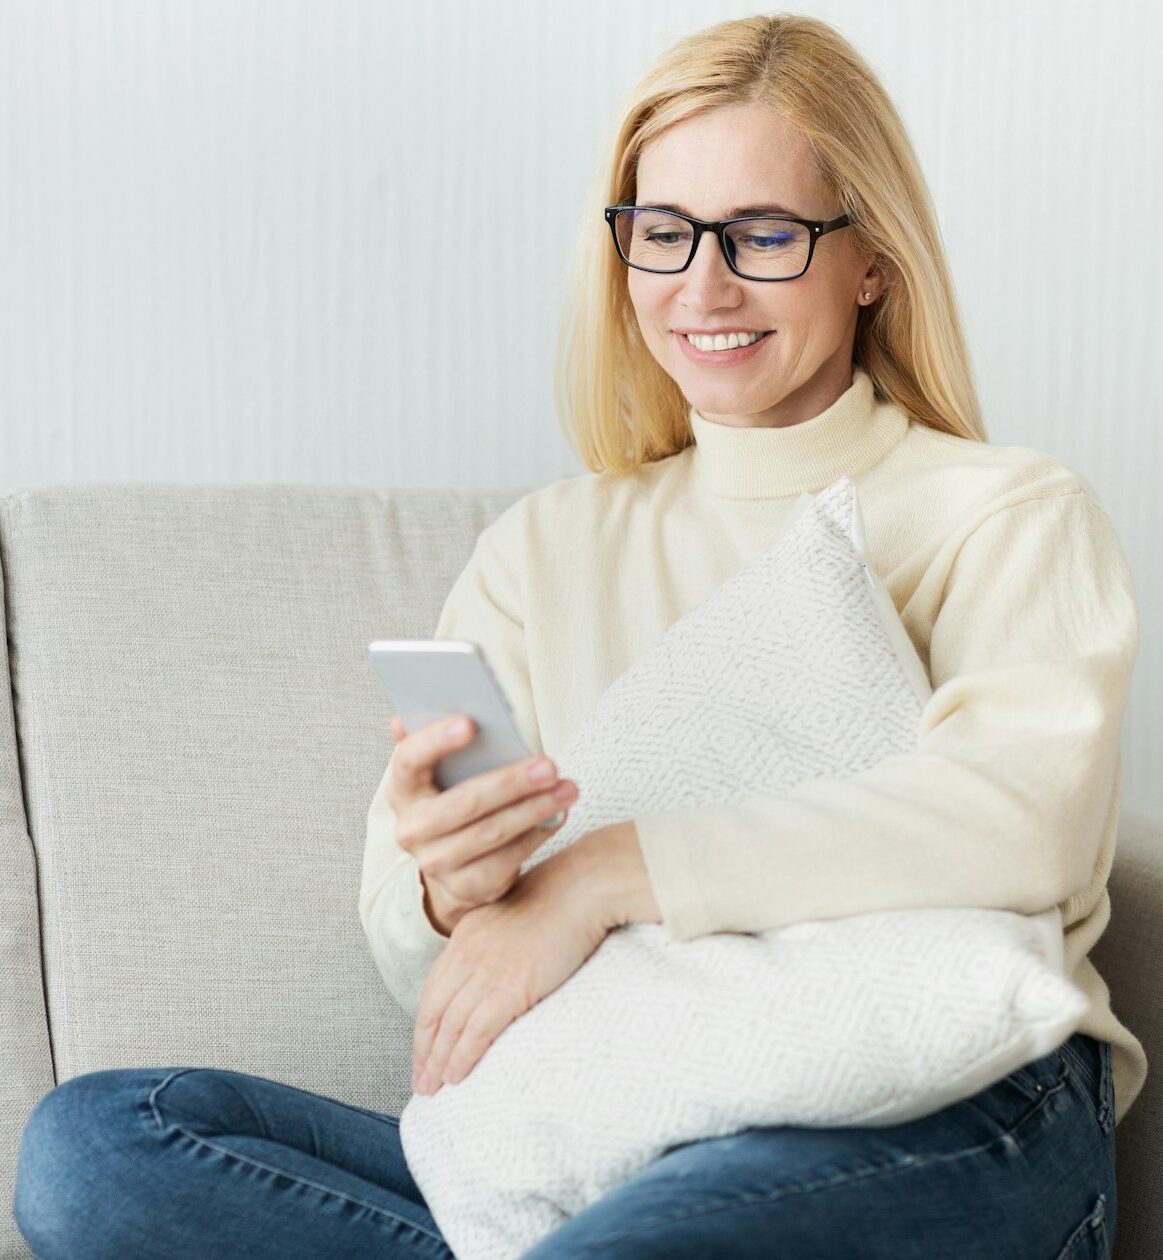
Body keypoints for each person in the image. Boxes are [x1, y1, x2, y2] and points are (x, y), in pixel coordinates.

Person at [13, 12, 1136, 1259]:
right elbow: (427, 966)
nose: (700, 287)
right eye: (661, 234)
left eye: (762, 235)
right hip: (620, 1112)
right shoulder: (541, 550)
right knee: (99, 1148)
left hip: (938, 1104)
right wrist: (458, 889)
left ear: (870, 258)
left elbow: (1016, 825)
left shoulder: (1004, 512)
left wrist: (601, 878)